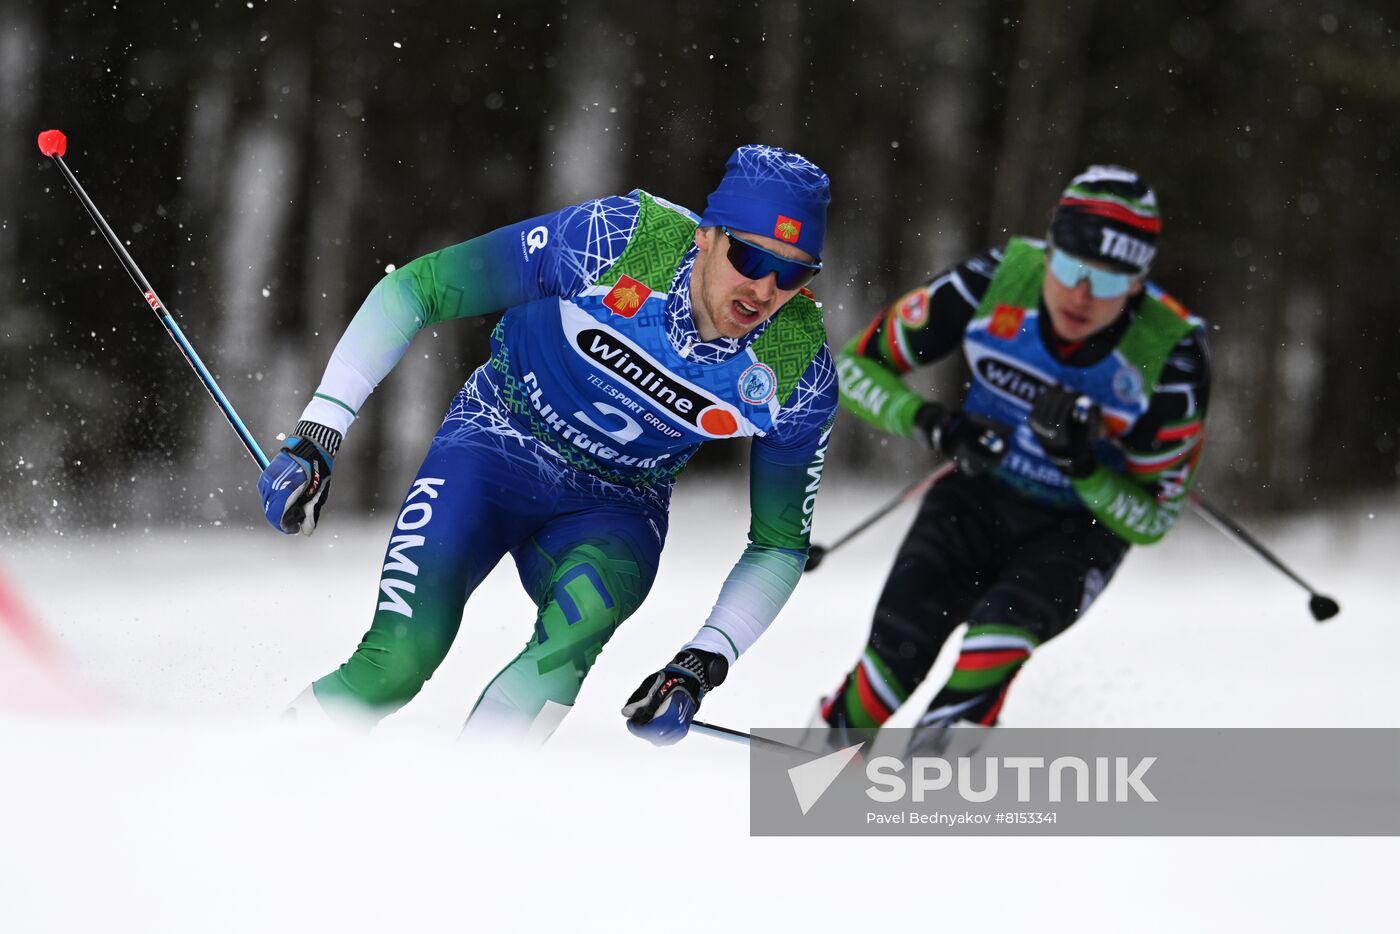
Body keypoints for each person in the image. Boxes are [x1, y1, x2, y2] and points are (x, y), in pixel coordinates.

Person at [257, 144, 838, 745]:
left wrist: (703, 660)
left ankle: (465, 818)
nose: (765, 289)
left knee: (562, 652)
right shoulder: (617, 238)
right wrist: (318, 432)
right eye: (748, 256)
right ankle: (252, 776)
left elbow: (778, 546)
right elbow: (418, 288)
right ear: (706, 237)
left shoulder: (798, 370)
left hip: (615, 507)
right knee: (397, 664)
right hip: (496, 442)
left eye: (792, 272)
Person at [819, 164, 1209, 747]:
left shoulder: (1172, 357)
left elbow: (1151, 519)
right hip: (978, 492)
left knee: (997, 636)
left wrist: (1084, 466)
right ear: (1049, 249)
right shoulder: (997, 280)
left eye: (1107, 282)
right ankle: (830, 749)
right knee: (898, 650)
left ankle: (939, 780)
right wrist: (938, 426)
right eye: (1072, 268)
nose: (1081, 294)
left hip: (1078, 529)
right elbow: (854, 368)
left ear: (1136, 283)